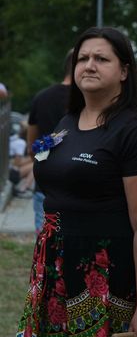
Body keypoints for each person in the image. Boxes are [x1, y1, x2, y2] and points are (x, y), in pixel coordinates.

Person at [6, 27, 137, 337]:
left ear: (124, 72)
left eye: (101, 59)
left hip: (107, 274)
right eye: (83, 58)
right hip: (55, 267)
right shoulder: (67, 121)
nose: (89, 65)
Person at [27, 49, 73, 232]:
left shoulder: (42, 97)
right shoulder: (89, 101)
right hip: (79, 183)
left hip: (45, 182)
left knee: (45, 241)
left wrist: (41, 164)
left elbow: (33, 147)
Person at [9, 123, 34, 198]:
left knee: (34, 162)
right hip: (10, 173)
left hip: (9, 171)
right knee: (35, 165)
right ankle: (23, 189)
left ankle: (25, 187)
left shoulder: (14, 140)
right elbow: (17, 164)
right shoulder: (20, 143)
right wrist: (31, 158)